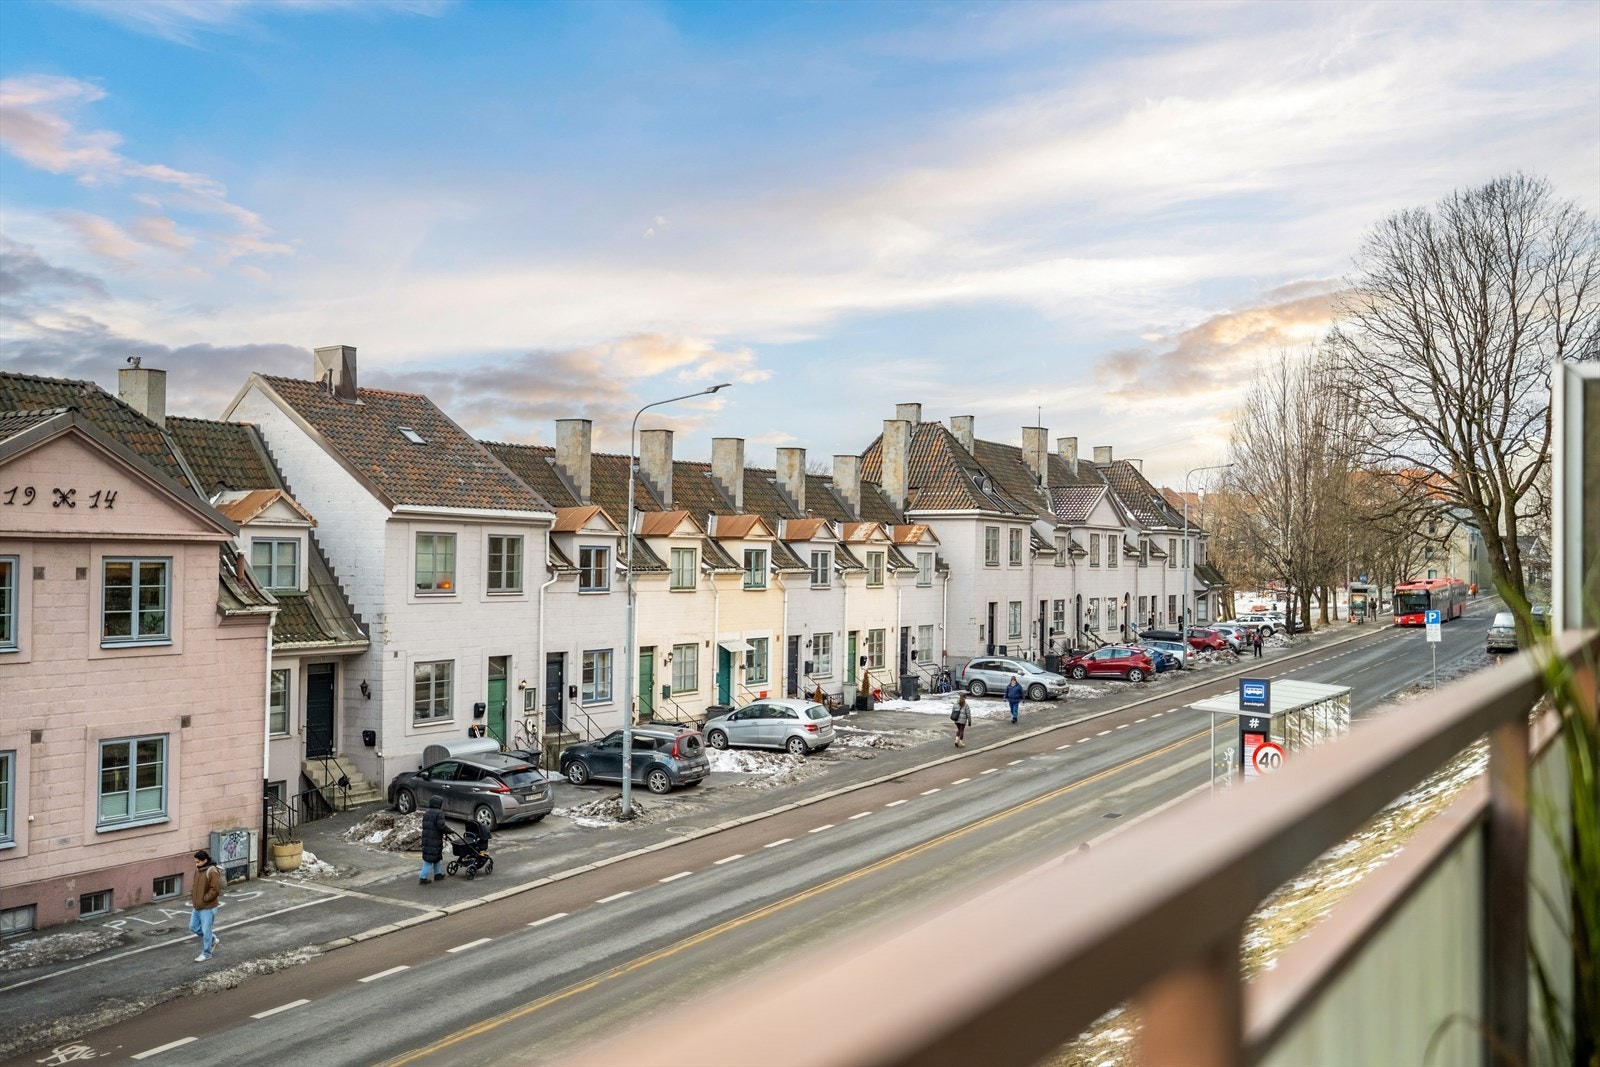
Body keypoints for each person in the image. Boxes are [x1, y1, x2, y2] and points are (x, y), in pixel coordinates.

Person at [190, 849, 223, 962]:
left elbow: (216, 889)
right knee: (193, 927)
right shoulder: (198, 870)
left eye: (198, 862)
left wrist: (205, 899)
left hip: (208, 907)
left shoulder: (212, 871)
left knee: (206, 930)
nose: (196, 864)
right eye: (195, 862)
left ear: (204, 860)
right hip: (197, 906)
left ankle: (207, 953)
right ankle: (213, 939)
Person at [419, 795, 447, 885]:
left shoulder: (427, 812)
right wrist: (449, 830)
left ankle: (437, 874)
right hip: (434, 839)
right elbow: (441, 826)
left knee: (436, 857)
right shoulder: (439, 813)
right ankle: (422, 878)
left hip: (427, 838)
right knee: (429, 860)